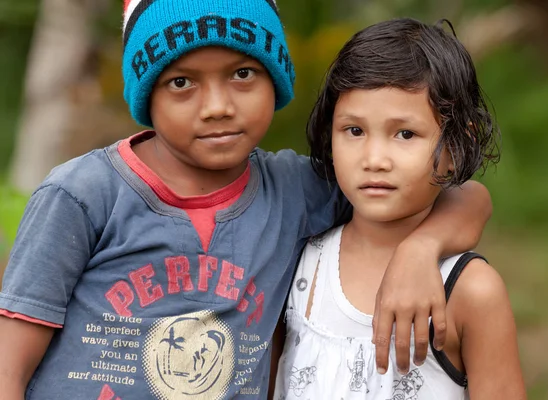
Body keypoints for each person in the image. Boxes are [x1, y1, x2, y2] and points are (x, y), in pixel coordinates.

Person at [0, 1, 491, 399]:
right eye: (181, 82)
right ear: (146, 96)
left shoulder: (298, 190)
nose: (217, 106)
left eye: (241, 74)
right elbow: (8, 365)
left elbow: (465, 194)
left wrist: (420, 250)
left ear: (275, 81)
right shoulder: (83, 194)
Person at [272, 17, 526, 400]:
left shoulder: (472, 292)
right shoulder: (299, 261)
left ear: (456, 145)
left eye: (405, 134)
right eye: (354, 131)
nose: (374, 159)